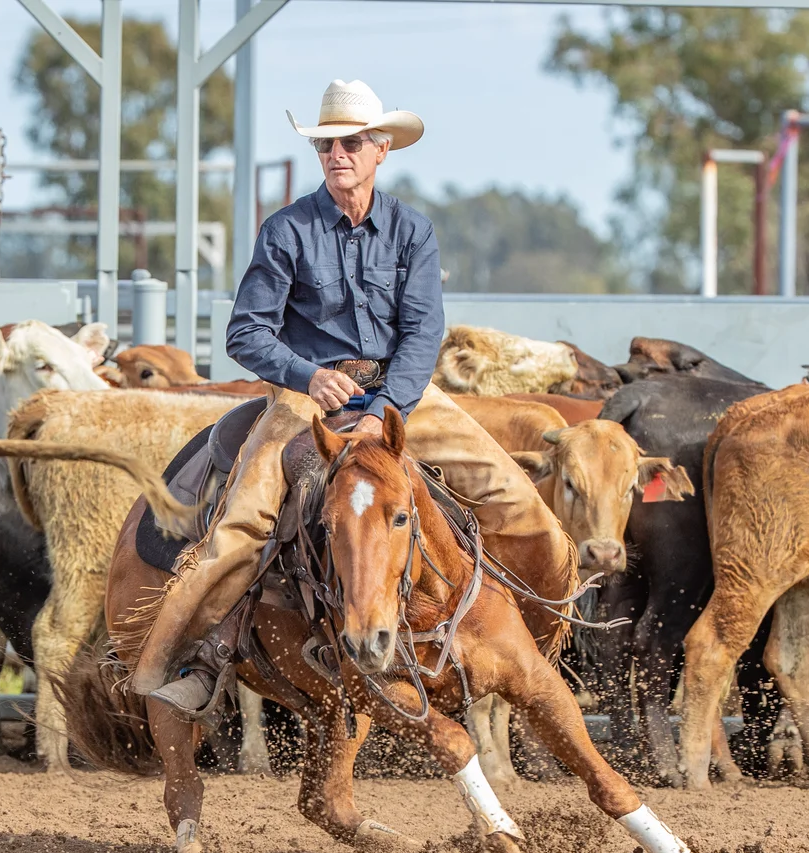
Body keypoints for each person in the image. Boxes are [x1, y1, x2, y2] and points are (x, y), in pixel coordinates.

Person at [131, 79, 578, 712]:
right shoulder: (286, 230)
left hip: (401, 396)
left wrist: (384, 410)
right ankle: (171, 668)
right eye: (327, 145)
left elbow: (422, 333)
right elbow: (245, 333)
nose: (338, 154)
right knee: (242, 526)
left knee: (520, 503)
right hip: (304, 401)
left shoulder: (412, 230)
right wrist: (307, 375)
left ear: (381, 149)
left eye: (352, 143)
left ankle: (535, 647)